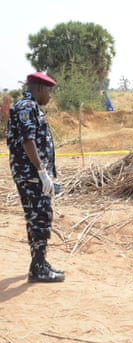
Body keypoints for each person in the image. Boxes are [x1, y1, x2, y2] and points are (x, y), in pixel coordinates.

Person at [6, 72, 65, 283]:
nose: (50, 96)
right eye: (49, 91)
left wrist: (47, 174)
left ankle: (40, 262)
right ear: (39, 88)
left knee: (39, 217)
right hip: (31, 175)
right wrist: (41, 172)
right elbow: (27, 141)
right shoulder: (26, 107)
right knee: (39, 218)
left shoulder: (32, 108)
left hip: (35, 175)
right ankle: (38, 268)